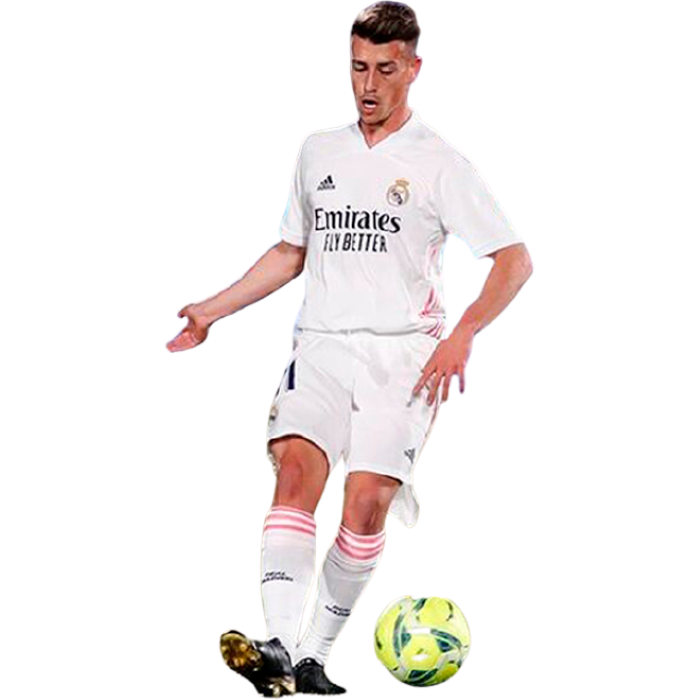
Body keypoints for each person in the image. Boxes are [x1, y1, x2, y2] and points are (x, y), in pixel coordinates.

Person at [165, 2, 534, 696]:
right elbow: (290, 250)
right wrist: (210, 310)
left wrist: (464, 333)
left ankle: (313, 656)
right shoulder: (318, 149)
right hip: (322, 346)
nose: (368, 85)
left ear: (415, 70)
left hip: (405, 360)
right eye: (358, 67)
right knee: (295, 473)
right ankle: (278, 645)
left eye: (385, 70)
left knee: (363, 505)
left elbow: (514, 259)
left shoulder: (441, 162)